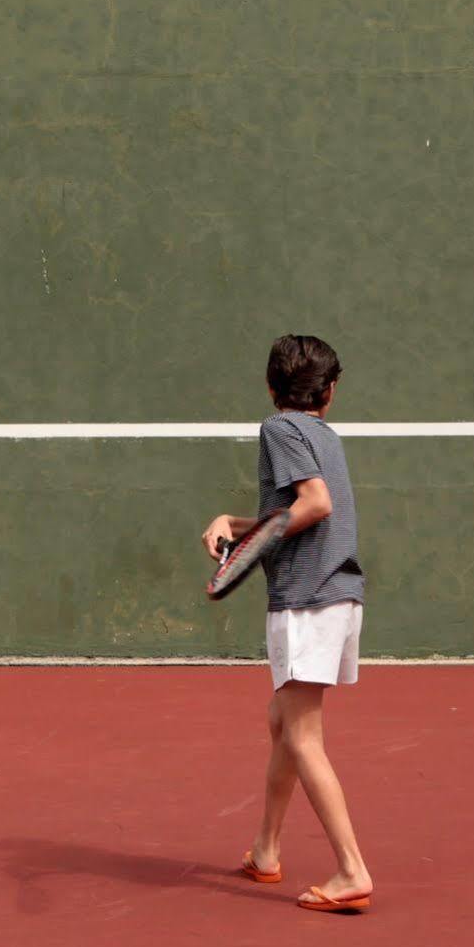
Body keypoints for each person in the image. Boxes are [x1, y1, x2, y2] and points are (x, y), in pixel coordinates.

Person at [201, 334, 374, 912]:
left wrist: (254, 545)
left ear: (272, 388)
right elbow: (301, 508)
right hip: (340, 596)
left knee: (303, 736)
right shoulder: (325, 435)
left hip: (307, 600)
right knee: (283, 720)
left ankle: (351, 870)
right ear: (331, 392)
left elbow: (315, 504)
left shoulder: (279, 428)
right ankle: (266, 851)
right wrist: (237, 523)